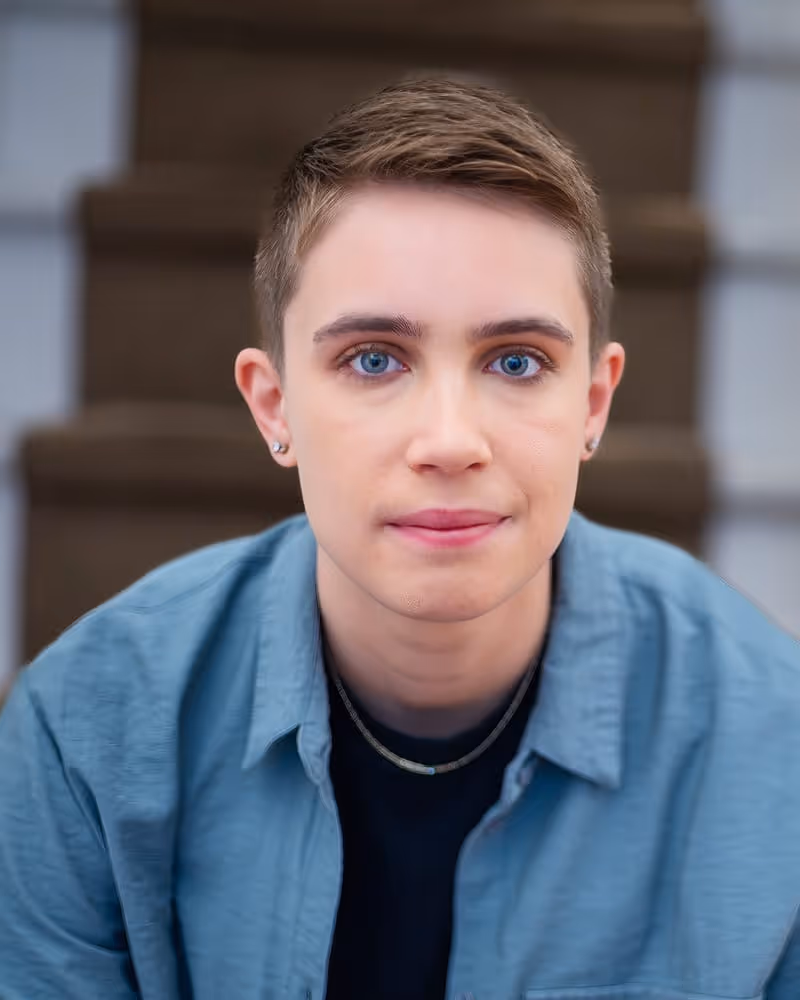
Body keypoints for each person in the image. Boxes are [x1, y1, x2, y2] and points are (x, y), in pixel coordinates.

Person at [1, 75, 799, 1000]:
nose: (451, 442)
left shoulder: (772, 750)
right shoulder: (84, 734)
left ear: (593, 401)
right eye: (373, 359)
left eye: (517, 361)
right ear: (275, 406)